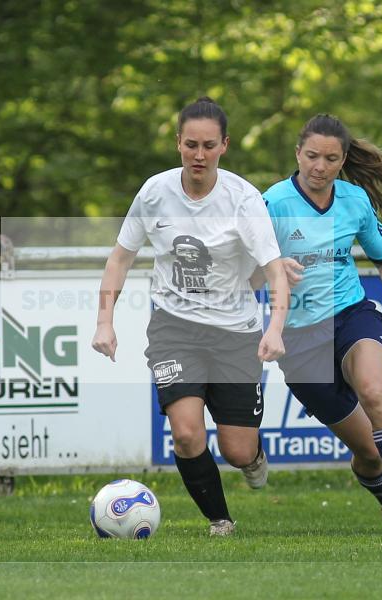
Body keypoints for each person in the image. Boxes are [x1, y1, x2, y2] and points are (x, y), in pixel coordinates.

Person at [92, 97, 290, 537]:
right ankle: (221, 521)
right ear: (178, 143)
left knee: (238, 450)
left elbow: (276, 271)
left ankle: (253, 459)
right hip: (174, 328)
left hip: (236, 332)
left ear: (224, 146)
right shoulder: (154, 193)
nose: (199, 155)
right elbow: (120, 258)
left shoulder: (244, 199)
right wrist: (105, 319)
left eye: (209, 146)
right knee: (186, 434)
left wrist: (274, 328)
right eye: (191, 145)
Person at [258, 113, 382, 534]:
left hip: (351, 314)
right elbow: (243, 269)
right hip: (298, 339)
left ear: (342, 160)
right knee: (368, 452)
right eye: (311, 156)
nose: (319, 166)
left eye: (330, 158)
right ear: (298, 154)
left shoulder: (354, 201)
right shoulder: (271, 203)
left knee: (375, 391)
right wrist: (273, 266)